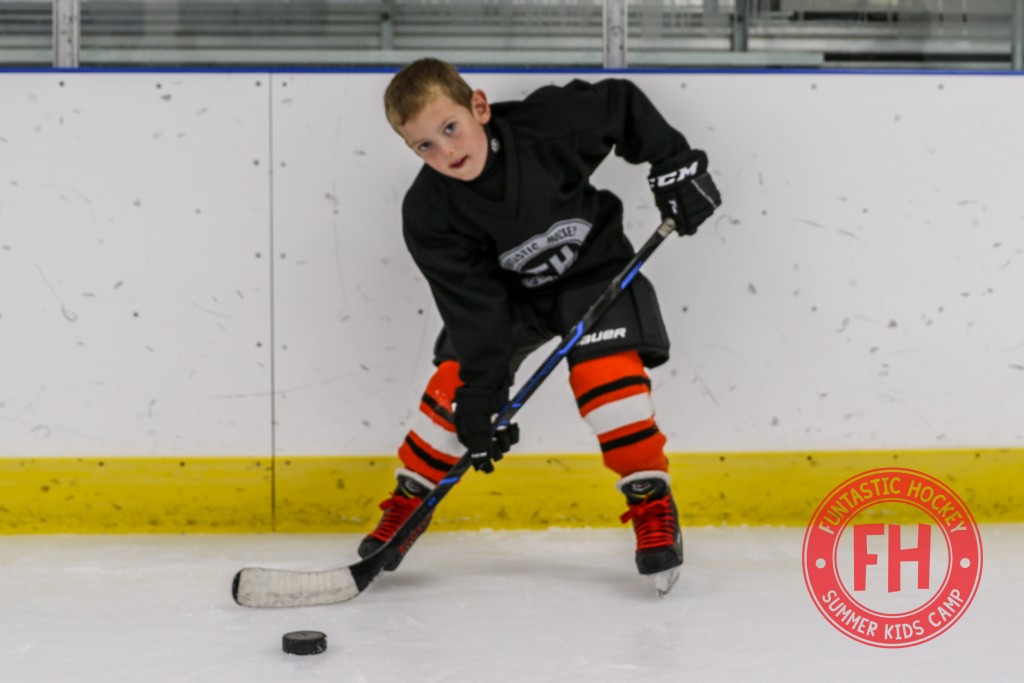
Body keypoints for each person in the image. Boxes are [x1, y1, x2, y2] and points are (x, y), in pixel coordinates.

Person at [358, 58, 721, 587]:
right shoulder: (428, 213)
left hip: (593, 273)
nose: (446, 152)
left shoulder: (547, 124)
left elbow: (619, 104)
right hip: (510, 303)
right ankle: (410, 502)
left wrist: (675, 164)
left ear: (478, 107)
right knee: (451, 396)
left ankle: (650, 500)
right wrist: (482, 397)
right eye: (424, 146)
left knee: (609, 385)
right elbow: (475, 310)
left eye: (450, 128)